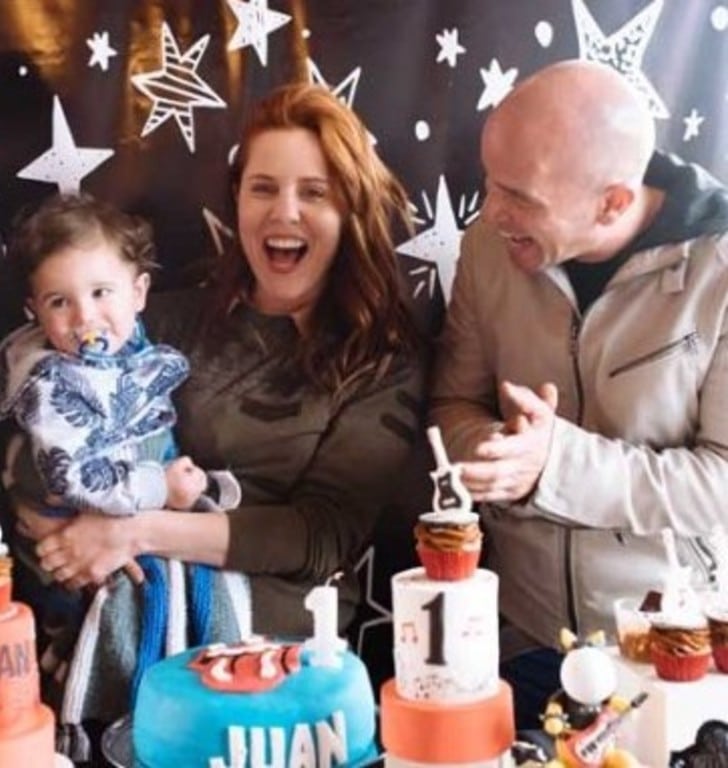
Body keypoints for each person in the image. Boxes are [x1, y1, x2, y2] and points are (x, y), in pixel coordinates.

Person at [14, 81, 425, 753]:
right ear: (237, 199)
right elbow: (52, 394)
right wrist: (42, 508)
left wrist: (134, 533)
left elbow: (319, 537)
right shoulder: (163, 320)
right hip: (124, 646)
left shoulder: (382, 363)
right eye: (263, 188)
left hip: (276, 680)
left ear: (349, 208)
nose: (284, 211)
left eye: (314, 192)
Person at [429, 59, 728, 729]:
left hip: (669, 651)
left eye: (518, 196)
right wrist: (495, 451)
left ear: (613, 202)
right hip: (520, 634)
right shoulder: (487, 248)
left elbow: (721, 483)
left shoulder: (720, 269)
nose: (491, 212)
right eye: (489, 183)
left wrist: (555, 465)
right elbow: (451, 406)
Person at [0, 193, 246, 759]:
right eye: (60, 302)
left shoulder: (130, 351)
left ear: (138, 292)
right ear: (34, 310)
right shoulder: (53, 385)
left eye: (100, 293)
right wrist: (164, 488)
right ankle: (113, 727)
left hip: (134, 522)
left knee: (193, 594)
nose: (84, 318)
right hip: (75, 549)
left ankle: (191, 712)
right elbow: (80, 479)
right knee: (121, 621)